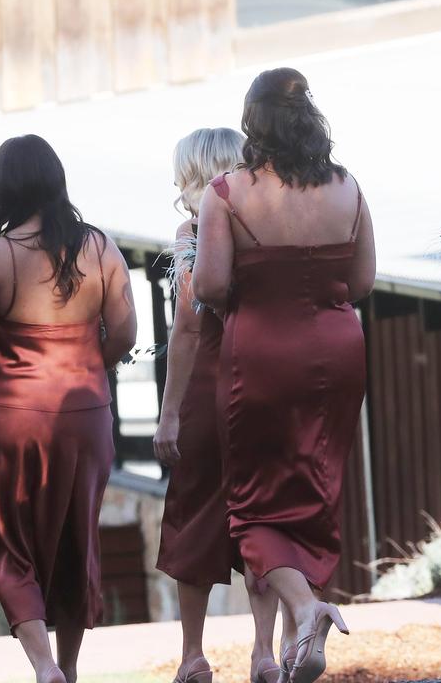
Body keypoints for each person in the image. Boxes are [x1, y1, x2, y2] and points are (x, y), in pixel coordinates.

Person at [194, 68, 375, 683]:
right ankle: (304, 621)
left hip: (263, 350)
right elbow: (362, 282)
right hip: (338, 346)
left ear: (253, 123)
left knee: (250, 503)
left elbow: (211, 285)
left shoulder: (226, 193)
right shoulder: (349, 188)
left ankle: (303, 607)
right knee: (315, 488)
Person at [0, 135, 137, 683]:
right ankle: (68, 669)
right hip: (86, 413)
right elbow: (125, 329)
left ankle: (43, 665)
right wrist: (92, 367)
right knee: (77, 540)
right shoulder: (100, 248)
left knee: (12, 543)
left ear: (3, 188)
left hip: (13, 417)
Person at [154, 128, 283, 683]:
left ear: (192, 175)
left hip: (209, 386)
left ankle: (193, 654)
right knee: (263, 512)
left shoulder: (193, 231)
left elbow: (186, 327)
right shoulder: (270, 226)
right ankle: (263, 651)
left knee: (193, 514)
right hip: (262, 383)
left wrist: (168, 413)